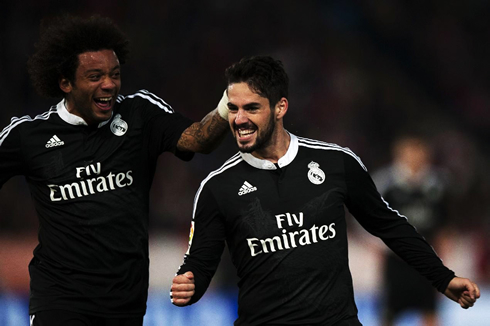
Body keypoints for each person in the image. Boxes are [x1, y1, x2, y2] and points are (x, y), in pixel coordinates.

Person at [170, 56, 480, 325]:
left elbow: (391, 226)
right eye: (233, 109)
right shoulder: (217, 186)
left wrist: (443, 278)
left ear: (280, 108)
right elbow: (200, 262)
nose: (239, 119)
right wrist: (190, 283)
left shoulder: (335, 163)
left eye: (251, 108)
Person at [0, 14, 230, 326]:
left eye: (114, 74)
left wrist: (229, 104)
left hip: (126, 304)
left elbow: (197, 139)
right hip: (60, 301)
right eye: (95, 76)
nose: (109, 84)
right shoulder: (30, 136)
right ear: (65, 82)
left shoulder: (139, 114)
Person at [372, 136, 449, 326]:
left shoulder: (438, 185)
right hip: (397, 260)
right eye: (409, 152)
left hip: (426, 260)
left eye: (418, 151)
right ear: (399, 154)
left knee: (430, 312)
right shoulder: (385, 184)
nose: (414, 157)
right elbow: (368, 220)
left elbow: (443, 227)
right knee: (389, 313)